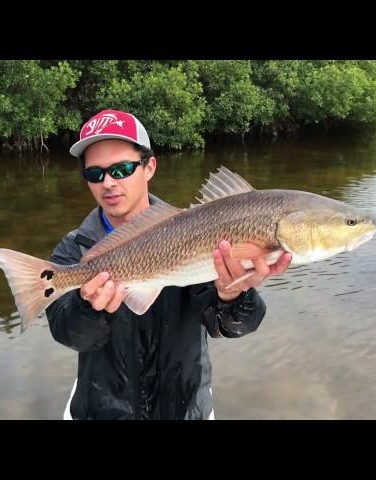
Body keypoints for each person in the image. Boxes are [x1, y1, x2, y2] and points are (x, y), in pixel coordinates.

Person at [45, 109, 291, 420]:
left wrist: (234, 296)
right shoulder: (75, 248)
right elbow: (70, 335)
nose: (108, 183)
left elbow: (228, 327)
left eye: (121, 169)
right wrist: (87, 307)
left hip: (185, 408)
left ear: (149, 167)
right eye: (95, 174)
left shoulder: (196, 232)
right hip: (100, 409)